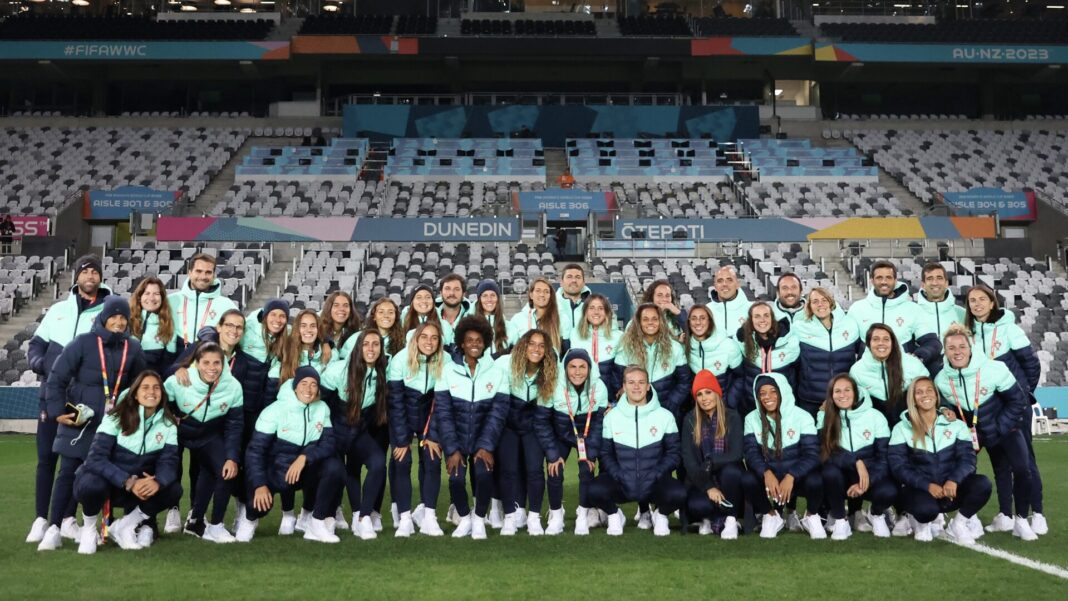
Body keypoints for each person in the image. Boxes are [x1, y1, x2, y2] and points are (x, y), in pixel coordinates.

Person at [37, 297, 147, 551]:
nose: (118, 322)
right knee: (67, 473)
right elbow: (56, 378)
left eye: (123, 318)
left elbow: (142, 383)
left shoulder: (133, 347)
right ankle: (54, 528)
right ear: (103, 318)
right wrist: (57, 411)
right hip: (82, 422)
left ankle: (96, 528)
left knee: (101, 476)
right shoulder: (83, 343)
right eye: (114, 317)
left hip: (114, 425)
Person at [26, 255, 111, 544]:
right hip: (51, 393)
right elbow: (37, 345)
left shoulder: (107, 312)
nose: (90, 275)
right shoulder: (58, 310)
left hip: (82, 400)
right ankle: (40, 518)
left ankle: (66, 519)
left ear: (100, 278)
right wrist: (41, 364)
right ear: (76, 277)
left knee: (73, 460)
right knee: (46, 458)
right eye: (85, 271)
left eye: (94, 272)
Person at [934, 325, 1038, 541]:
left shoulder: (994, 368)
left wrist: (999, 428)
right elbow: (943, 401)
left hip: (1003, 427)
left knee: (1022, 469)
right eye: (951, 347)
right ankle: (963, 518)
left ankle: (1020, 519)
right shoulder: (942, 379)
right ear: (945, 350)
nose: (957, 351)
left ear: (971, 347)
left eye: (962, 346)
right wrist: (944, 408)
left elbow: (1018, 400)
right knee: (958, 469)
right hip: (973, 432)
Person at [963, 284, 1045, 535]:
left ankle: (1037, 513)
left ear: (992, 302)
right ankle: (1005, 515)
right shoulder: (968, 333)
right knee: (999, 463)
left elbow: (1031, 365)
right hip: (987, 408)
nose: (976, 304)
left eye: (982, 299)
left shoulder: (1009, 328)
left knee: (1025, 461)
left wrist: (1023, 393)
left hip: (1013, 405)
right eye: (972, 300)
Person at [71, 371, 182, 554]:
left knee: (173, 490)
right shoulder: (116, 416)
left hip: (137, 490)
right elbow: (95, 458)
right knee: (91, 484)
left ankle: (125, 526)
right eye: (145, 387)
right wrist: (127, 481)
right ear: (135, 393)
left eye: (156, 388)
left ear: (162, 393)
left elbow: (169, 462)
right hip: (110, 485)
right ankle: (89, 529)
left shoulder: (168, 424)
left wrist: (158, 481)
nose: (151, 392)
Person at [240, 366, 344, 544]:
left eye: (313, 385)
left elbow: (329, 443)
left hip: (302, 471)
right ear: (295, 387)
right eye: (303, 383)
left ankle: (316, 523)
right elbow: (255, 452)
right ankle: (249, 519)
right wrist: (259, 484)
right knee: (260, 507)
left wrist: (304, 458)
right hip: (274, 471)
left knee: (334, 468)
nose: (308, 389)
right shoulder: (274, 410)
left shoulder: (322, 408)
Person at [889, 377, 992, 544]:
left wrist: (954, 480)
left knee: (983, 484)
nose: (925, 395)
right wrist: (927, 485)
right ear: (912, 399)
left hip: (950, 490)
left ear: (937, 396)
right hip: (921, 491)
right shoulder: (901, 428)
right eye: (919, 392)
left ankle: (958, 524)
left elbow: (968, 459)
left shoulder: (956, 425)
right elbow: (898, 467)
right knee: (926, 510)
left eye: (929, 390)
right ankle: (921, 523)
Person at [432, 315, 508, 540]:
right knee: (455, 479)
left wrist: (485, 446)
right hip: (456, 439)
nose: (474, 344)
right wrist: (452, 449)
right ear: (461, 343)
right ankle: (464, 518)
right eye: (469, 340)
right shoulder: (447, 371)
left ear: (485, 343)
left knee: (484, 475)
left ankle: (479, 520)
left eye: (479, 340)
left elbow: (498, 414)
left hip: (483, 439)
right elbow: (443, 414)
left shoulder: (497, 372)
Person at [589, 365, 686, 537]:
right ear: (624, 386)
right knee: (593, 490)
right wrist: (618, 474)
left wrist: (657, 473)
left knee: (680, 493)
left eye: (641, 382)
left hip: (653, 482)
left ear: (648, 386)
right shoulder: (612, 416)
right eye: (631, 382)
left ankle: (661, 515)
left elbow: (674, 453)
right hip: (623, 481)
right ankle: (614, 515)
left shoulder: (665, 416)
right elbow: (605, 454)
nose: (636, 387)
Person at [166, 342, 244, 543]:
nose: (212, 368)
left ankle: (211, 525)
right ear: (196, 363)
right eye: (206, 362)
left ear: (223, 363)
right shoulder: (179, 380)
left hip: (207, 435)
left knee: (225, 472)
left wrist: (232, 457)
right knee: (161, 472)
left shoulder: (233, 386)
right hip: (177, 433)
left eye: (216, 363)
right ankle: (145, 521)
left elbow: (235, 425)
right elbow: (159, 403)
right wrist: (171, 417)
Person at [321, 329, 390, 540]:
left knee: (378, 463)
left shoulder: (381, 372)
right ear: (358, 347)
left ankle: (362, 517)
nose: (371, 349)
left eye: (376, 344)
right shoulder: (337, 371)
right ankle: (324, 516)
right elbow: (321, 404)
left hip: (357, 431)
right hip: (334, 432)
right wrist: (327, 435)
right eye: (366, 344)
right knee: (338, 472)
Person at [536, 348, 609, 535]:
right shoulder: (552, 386)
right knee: (554, 469)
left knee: (587, 469)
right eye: (572, 367)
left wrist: (590, 454)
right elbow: (542, 422)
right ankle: (556, 516)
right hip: (561, 434)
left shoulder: (599, 387)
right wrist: (552, 454)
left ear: (590, 368)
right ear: (565, 368)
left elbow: (598, 424)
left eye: (583, 367)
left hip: (586, 436)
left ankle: (583, 515)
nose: (577, 372)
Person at [743, 372, 824, 539]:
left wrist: (792, 475)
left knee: (816, 480)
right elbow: (750, 453)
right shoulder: (751, 418)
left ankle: (811, 515)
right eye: (762, 393)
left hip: (796, 476)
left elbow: (812, 454)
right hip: (770, 475)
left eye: (773, 391)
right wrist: (766, 473)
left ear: (783, 392)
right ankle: (770, 515)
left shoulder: (802, 416)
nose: (768, 397)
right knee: (747, 479)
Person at [386, 322, 447, 537]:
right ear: (416, 339)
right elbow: (395, 402)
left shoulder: (445, 360)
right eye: (424, 337)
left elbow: (441, 404)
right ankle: (404, 518)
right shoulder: (400, 360)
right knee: (402, 461)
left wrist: (432, 435)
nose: (429, 342)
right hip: (403, 414)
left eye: (434, 338)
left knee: (431, 459)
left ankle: (429, 515)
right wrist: (402, 440)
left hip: (429, 417)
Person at [817, 374, 895, 540]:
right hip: (841, 477)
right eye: (837, 391)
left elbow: (884, 458)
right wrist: (856, 461)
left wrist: (866, 481)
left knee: (889, 491)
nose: (842, 395)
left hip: (869, 476)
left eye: (847, 390)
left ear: (856, 392)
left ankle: (876, 514)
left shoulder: (875, 416)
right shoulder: (825, 417)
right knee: (829, 472)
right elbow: (825, 454)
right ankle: (840, 520)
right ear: (831, 396)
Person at [495, 330, 557, 535]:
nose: (536, 349)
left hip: (533, 424)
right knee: (509, 470)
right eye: (532, 344)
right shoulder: (504, 363)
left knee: (534, 469)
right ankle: (510, 518)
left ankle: (534, 517)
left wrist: (551, 449)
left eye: (541, 345)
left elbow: (544, 414)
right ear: (523, 345)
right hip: (508, 424)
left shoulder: (550, 372)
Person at [682, 370, 749, 539]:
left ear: (717, 393)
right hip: (702, 479)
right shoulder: (690, 419)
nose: (704, 398)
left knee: (731, 471)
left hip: (729, 480)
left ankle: (731, 519)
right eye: (699, 394)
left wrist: (711, 461)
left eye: (708, 392)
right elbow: (689, 461)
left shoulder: (732, 416)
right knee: (698, 505)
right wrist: (708, 487)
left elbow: (736, 453)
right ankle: (711, 518)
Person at [847, 260, 942, 374]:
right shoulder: (857, 309)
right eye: (879, 277)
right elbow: (849, 345)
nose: (884, 282)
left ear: (895, 280)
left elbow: (933, 343)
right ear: (871, 280)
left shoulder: (913, 309)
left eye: (888, 277)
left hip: (903, 376)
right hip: (868, 377)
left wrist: (918, 357)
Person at [612, 303, 692, 422]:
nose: (650, 322)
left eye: (655, 319)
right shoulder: (626, 347)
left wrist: (672, 403)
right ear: (638, 322)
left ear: (661, 322)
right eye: (645, 319)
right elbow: (617, 381)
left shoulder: (675, 348)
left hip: (665, 410)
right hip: (634, 411)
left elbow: (685, 381)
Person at [793, 288, 863, 416]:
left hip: (843, 398)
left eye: (824, 300)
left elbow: (864, 356)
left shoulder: (850, 325)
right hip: (811, 399)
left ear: (831, 302)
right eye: (815, 301)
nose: (820, 304)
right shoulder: (799, 328)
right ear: (809, 306)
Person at [849, 324, 929, 428]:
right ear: (868, 344)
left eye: (886, 339)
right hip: (875, 427)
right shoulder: (857, 371)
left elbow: (931, 392)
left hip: (909, 425)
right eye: (876, 339)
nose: (881, 343)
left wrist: (944, 408)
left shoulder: (912, 364)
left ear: (893, 342)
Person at [737, 301, 799, 419]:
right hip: (752, 403)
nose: (762, 320)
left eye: (766, 315)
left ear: (772, 318)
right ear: (751, 320)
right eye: (757, 316)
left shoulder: (788, 341)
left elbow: (797, 369)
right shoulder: (741, 342)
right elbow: (739, 373)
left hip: (783, 404)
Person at [168, 252, 238, 350]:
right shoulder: (171, 300)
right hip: (174, 359)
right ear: (190, 273)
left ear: (214, 275)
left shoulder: (227, 305)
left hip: (210, 359)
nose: (203, 276)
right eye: (198, 271)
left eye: (208, 272)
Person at [684, 304, 743, 407]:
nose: (698, 322)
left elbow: (740, 376)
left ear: (710, 321)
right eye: (693, 319)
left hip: (724, 407)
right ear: (689, 323)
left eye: (702, 318)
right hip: (698, 409)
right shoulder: (685, 347)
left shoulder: (728, 346)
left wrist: (730, 402)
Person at [567, 294, 622, 394]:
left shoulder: (619, 336)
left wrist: (613, 398)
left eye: (600, 308)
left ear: (607, 312)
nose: (596, 312)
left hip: (609, 396)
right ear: (585, 312)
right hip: (581, 396)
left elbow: (620, 373)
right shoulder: (575, 334)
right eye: (591, 308)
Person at [129, 277, 179, 375]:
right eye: (147, 293)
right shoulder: (127, 321)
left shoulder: (169, 325)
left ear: (162, 298)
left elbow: (168, 364)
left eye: (156, 294)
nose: (151, 298)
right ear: (139, 297)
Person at [507, 277, 564, 355]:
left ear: (550, 296)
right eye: (538, 291)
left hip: (552, 365)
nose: (542, 294)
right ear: (531, 295)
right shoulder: (517, 319)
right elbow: (511, 350)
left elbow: (565, 351)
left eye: (546, 292)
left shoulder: (561, 319)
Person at [914, 262, 965, 343]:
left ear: (946, 283)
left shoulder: (962, 313)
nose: (935, 283)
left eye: (939, 278)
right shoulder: (913, 313)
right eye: (930, 278)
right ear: (923, 284)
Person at [473, 279, 512, 358]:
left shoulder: (510, 326)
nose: (489, 299)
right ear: (479, 299)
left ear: (497, 298)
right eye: (485, 296)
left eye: (493, 295)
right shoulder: (470, 326)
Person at [436, 273, 474, 355]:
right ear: (441, 292)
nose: (451, 293)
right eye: (447, 289)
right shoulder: (430, 317)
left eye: (456, 289)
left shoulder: (474, 318)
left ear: (463, 294)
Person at [707, 265, 752, 333]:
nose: (724, 284)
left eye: (729, 280)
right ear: (715, 287)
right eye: (720, 281)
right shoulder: (706, 310)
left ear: (737, 284)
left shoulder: (752, 309)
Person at [320, 291, 362, 359]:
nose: (341, 309)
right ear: (329, 308)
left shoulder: (354, 334)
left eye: (345, 305)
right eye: (336, 305)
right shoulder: (318, 332)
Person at [556, 264, 591, 343]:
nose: (574, 280)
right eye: (569, 277)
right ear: (561, 282)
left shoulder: (594, 305)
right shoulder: (551, 305)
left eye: (578, 277)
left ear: (583, 283)